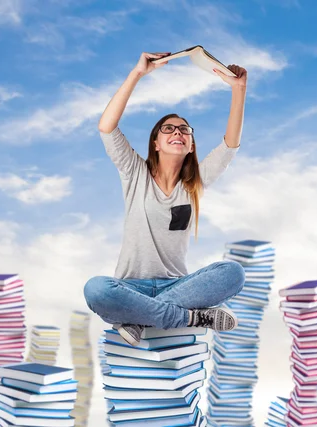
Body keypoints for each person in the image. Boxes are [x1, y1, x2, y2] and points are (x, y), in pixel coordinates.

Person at [83, 51, 247, 347]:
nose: (177, 132)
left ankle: (137, 320)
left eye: (184, 129)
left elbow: (230, 145)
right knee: (96, 289)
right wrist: (137, 73)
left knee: (233, 272)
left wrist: (238, 89)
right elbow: (106, 127)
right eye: (168, 128)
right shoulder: (135, 173)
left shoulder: (195, 183)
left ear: (191, 143)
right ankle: (190, 319)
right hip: (130, 288)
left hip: (179, 287)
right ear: (156, 143)